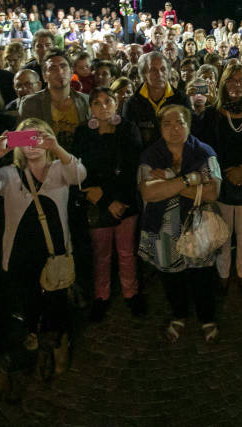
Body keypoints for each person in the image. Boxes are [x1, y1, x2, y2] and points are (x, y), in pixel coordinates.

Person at [0, 119, 85, 376]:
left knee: (57, 303)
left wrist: (57, 149)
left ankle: (58, 343)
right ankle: (36, 338)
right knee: (29, 301)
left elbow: (79, 175)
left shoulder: (59, 169)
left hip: (54, 252)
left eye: (39, 137)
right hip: (21, 254)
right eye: (25, 138)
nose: (32, 143)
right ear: (17, 144)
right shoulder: (9, 174)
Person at [137, 105, 222, 343]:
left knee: (202, 274)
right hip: (162, 226)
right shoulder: (150, 155)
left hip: (198, 225)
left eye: (179, 123)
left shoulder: (204, 152)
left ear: (188, 125)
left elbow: (213, 192)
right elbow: (148, 193)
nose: (174, 129)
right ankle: (179, 314)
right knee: (171, 276)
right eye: (167, 123)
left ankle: (207, 317)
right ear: (160, 127)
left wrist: (170, 182)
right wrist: (188, 180)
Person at [71, 88, 145, 321]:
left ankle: (130, 293)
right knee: (100, 254)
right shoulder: (82, 132)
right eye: (97, 103)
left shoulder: (128, 129)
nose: (103, 107)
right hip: (97, 203)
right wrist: (104, 201)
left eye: (108, 101)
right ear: (90, 108)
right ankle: (101, 296)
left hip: (124, 202)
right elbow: (78, 170)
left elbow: (133, 167)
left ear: (116, 104)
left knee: (126, 252)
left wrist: (117, 200)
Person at [194, 64, 242, 295]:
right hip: (220, 180)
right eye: (231, 80)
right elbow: (205, 146)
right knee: (223, 232)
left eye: (241, 81)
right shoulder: (213, 114)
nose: (236, 85)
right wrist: (226, 173)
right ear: (224, 83)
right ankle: (223, 274)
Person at [18, 51, 91, 150]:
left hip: (79, 160)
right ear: (44, 76)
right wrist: (9, 140)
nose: (59, 71)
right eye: (52, 68)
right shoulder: (30, 103)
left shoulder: (86, 101)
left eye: (63, 66)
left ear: (71, 72)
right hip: (46, 161)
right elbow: (22, 140)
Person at [122, 52, 191, 148]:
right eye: (153, 70)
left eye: (163, 69)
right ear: (144, 73)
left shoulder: (181, 100)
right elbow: (128, 142)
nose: (159, 74)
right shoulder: (132, 103)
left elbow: (189, 135)